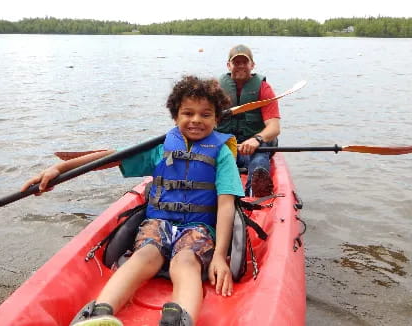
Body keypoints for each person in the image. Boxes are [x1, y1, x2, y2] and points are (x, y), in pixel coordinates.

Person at [21, 75, 244, 326]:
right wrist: (59, 169)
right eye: (187, 113)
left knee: (185, 262)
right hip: (158, 221)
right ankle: (99, 314)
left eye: (205, 115)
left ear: (216, 119)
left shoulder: (222, 153)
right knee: (144, 255)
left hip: (198, 228)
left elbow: (226, 205)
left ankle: (180, 319)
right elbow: (110, 158)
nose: (195, 120)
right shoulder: (160, 148)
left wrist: (218, 257)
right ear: (175, 116)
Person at [216, 44, 281, 197]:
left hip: (253, 147)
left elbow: (274, 127)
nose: (240, 66)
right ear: (228, 65)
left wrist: (256, 139)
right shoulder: (216, 89)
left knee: (258, 160)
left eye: (244, 62)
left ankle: (256, 192)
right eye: (236, 63)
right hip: (226, 145)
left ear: (252, 65)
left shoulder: (264, 89)